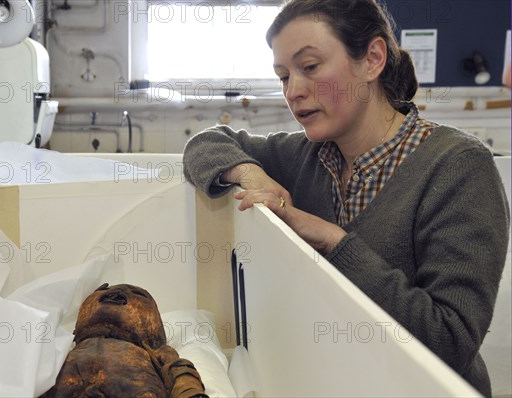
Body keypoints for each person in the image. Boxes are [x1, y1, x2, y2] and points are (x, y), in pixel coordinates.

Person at [182, 0, 509, 396]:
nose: (293, 91)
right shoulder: (305, 155)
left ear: (372, 59)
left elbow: (449, 340)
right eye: (283, 76)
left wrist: (333, 241)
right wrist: (250, 173)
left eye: (310, 67)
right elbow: (207, 142)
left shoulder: (459, 168)